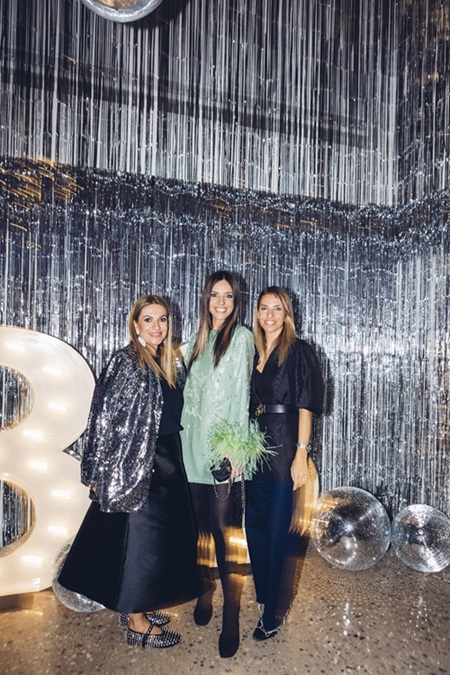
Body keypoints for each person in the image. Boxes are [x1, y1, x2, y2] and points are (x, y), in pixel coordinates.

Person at [59, 295, 199, 649]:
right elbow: (104, 416)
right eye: (148, 319)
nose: (156, 326)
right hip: (140, 463)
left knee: (150, 541)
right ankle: (137, 623)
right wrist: (102, 468)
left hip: (165, 457)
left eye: (162, 319)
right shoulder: (126, 361)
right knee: (140, 542)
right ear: (135, 324)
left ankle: (135, 606)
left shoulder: (164, 361)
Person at [180, 271, 254, 658]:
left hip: (221, 450)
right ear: (206, 299)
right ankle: (204, 589)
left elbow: (241, 395)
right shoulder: (196, 341)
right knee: (199, 531)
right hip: (189, 446)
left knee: (224, 532)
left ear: (236, 301)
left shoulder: (240, 338)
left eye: (228, 296)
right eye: (214, 295)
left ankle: (231, 616)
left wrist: (235, 449)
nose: (221, 302)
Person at [245, 286, 324, 641]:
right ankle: (265, 595)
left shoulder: (299, 350)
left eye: (277, 308)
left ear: (287, 314)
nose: (270, 315)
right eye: (264, 308)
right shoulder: (252, 350)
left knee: (278, 532)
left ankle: (274, 613)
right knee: (255, 527)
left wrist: (301, 454)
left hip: (285, 445)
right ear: (257, 313)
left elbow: (306, 405)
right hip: (254, 446)